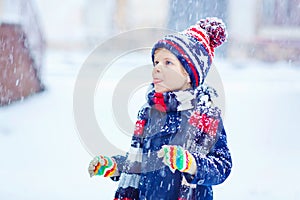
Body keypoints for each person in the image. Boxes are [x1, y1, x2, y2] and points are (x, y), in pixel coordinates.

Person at [88, 17, 232, 200]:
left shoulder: (205, 117)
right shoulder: (149, 113)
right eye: (155, 62)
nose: (156, 68)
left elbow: (222, 166)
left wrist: (191, 163)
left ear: (189, 74)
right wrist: (116, 165)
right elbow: (143, 162)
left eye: (167, 63)